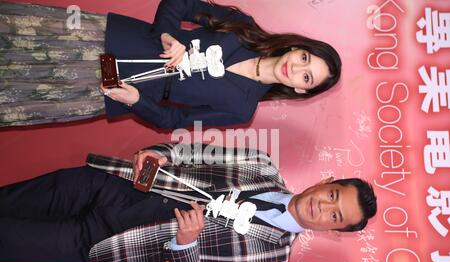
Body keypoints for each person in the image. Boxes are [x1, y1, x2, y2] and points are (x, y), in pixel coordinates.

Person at [0, 143, 377, 262]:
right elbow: (192, 151)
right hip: (111, 185)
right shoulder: (262, 165)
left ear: (335, 231)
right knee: (9, 199)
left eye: (335, 215)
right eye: (332, 196)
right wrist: (161, 153)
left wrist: (187, 244)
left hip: (107, 244)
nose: (323, 207)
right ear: (327, 182)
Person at [0, 0, 341, 128]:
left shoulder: (242, 109)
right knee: (16, 33)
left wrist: (136, 102)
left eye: (307, 77)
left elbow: (174, 119)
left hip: (117, 90)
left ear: (300, 88)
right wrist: (168, 36)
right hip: (112, 38)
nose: (297, 68)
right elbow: (180, 4)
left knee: (18, 92)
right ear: (297, 48)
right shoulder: (243, 29)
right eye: (305, 58)